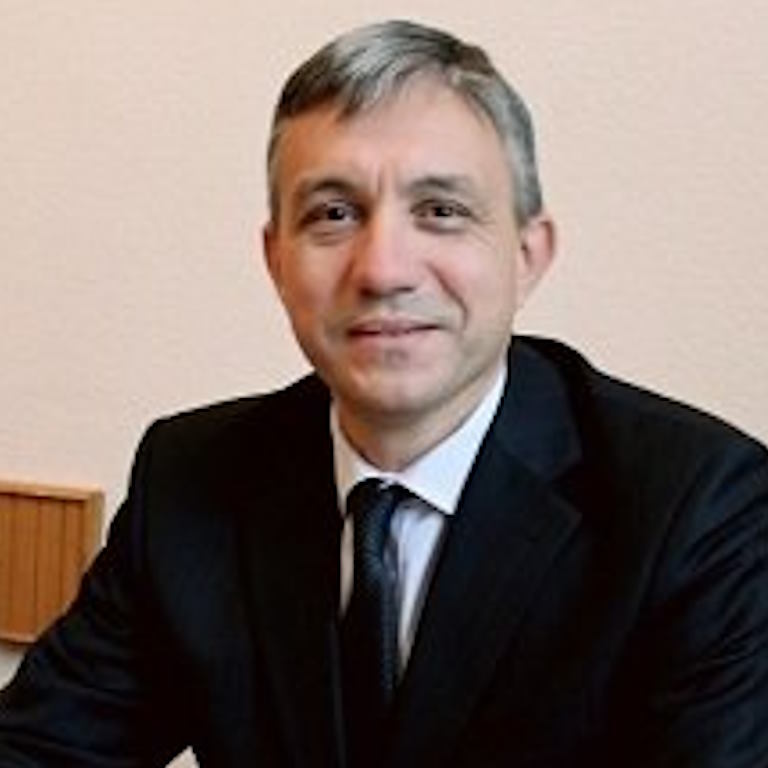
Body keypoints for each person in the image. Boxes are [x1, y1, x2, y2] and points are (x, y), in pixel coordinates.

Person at [1, 18, 767, 768]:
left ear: (527, 256)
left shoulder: (700, 507)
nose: (383, 270)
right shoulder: (189, 478)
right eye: (334, 214)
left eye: (441, 212)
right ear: (276, 260)